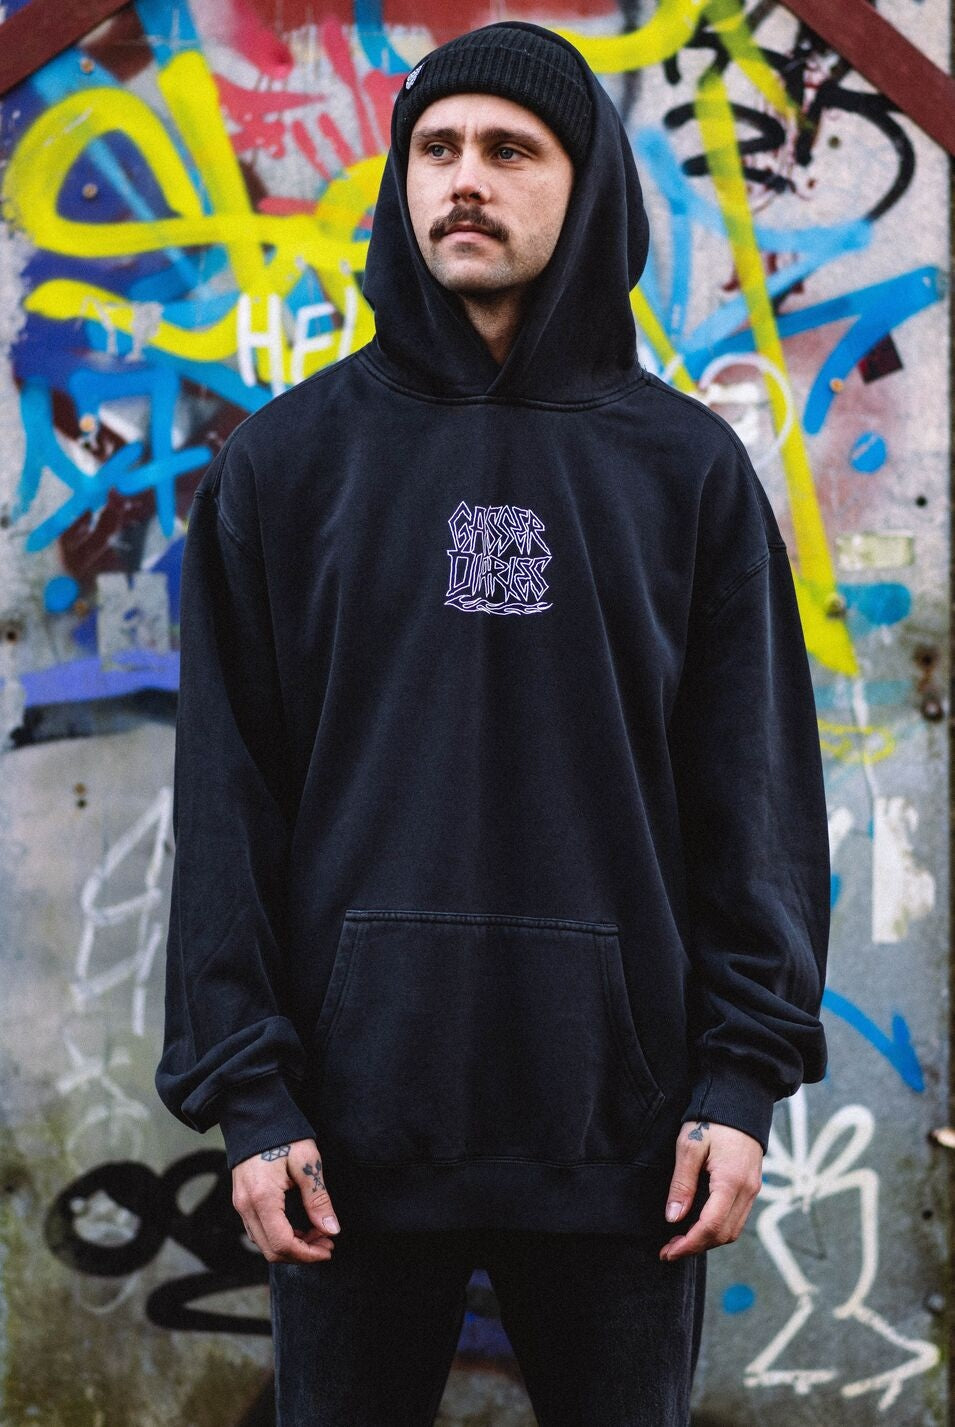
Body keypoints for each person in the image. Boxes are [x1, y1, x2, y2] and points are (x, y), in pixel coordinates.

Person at [156, 20, 830, 1426]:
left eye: (511, 150)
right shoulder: (286, 467)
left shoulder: (686, 473)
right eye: (437, 148)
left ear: (586, 189)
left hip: (625, 1140)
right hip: (344, 1141)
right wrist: (251, 1098)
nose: (465, 177)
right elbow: (228, 808)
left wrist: (738, 1084)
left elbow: (754, 804)